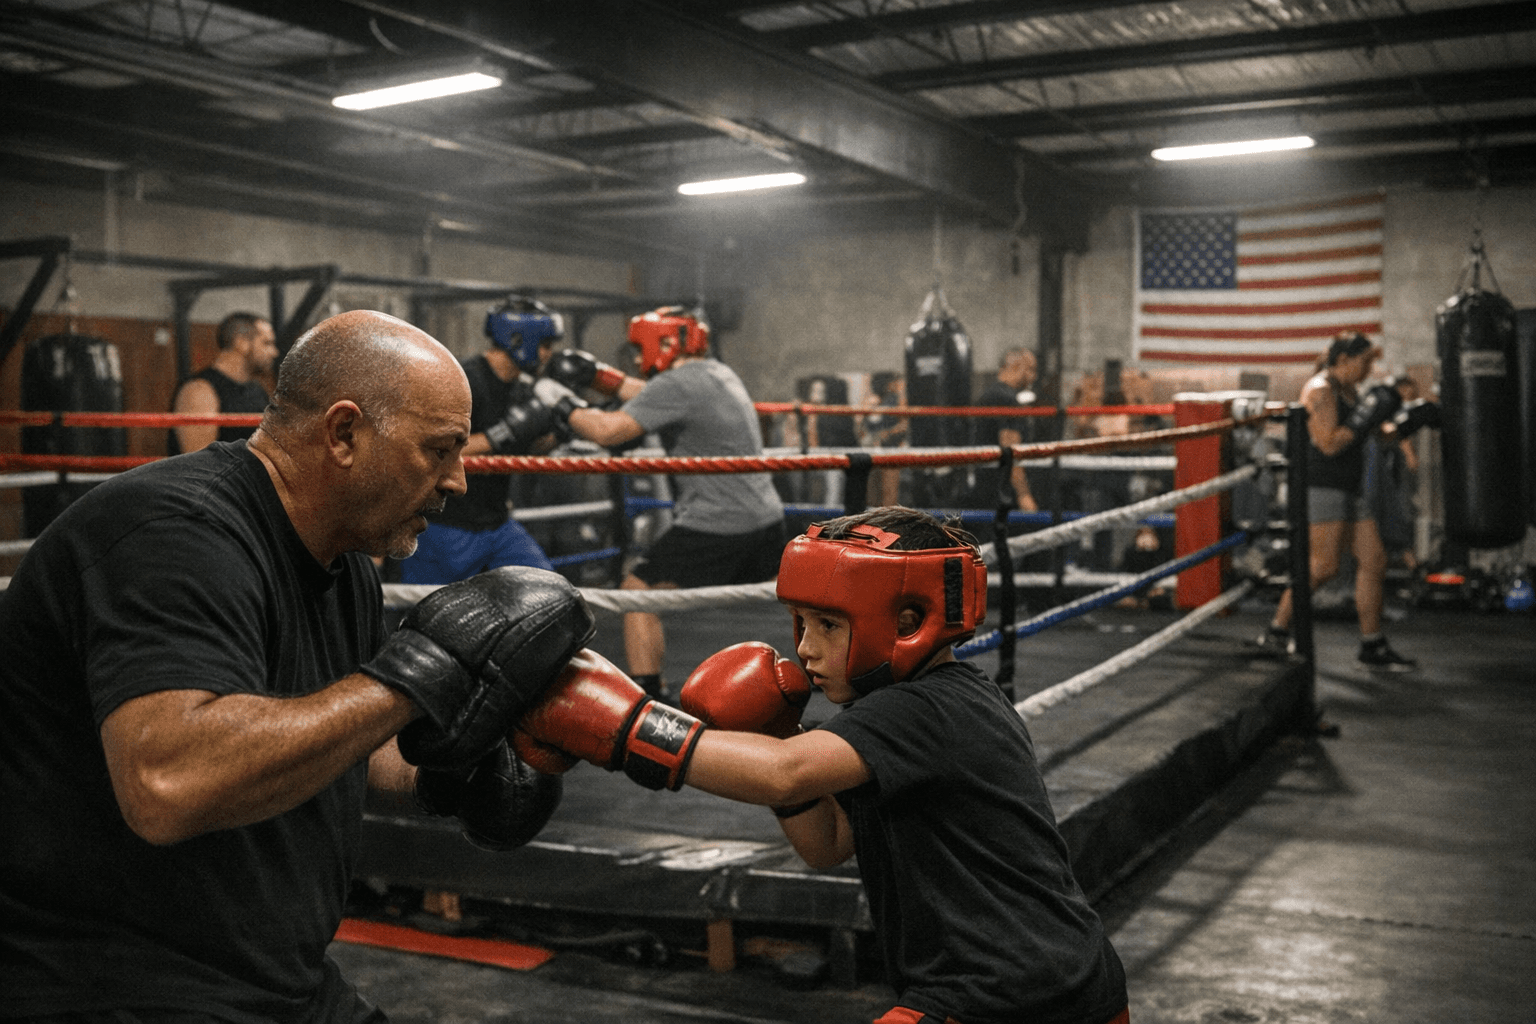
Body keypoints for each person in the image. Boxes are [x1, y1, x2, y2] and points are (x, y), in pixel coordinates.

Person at [0, 309, 594, 1022]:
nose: (458, 481)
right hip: (111, 986)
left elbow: (335, 739)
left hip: (271, 980)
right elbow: (171, 781)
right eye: (438, 450)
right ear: (343, 434)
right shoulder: (173, 537)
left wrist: (455, 777)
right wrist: (419, 671)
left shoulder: (342, 562)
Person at [513, 505, 1130, 1024]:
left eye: (828, 624)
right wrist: (776, 729)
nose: (804, 647)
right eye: (800, 623)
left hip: (1013, 994)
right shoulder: (908, 708)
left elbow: (784, 772)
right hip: (1054, 984)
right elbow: (827, 843)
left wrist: (626, 725)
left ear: (909, 622)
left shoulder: (926, 708)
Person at [539, 305, 786, 701]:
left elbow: (608, 431)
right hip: (766, 515)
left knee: (637, 592)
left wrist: (561, 402)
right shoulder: (716, 372)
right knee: (786, 599)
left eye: (641, 348)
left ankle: (647, 699)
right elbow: (650, 396)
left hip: (720, 522)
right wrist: (600, 378)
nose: (638, 359)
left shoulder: (680, 384)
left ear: (666, 343)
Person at [1256, 331, 1419, 671]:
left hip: (1350, 488)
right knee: (1323, 567)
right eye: (1364, 362)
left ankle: (1372, 645)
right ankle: (1275, 631)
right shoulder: (1320, 390)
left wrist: (1412, 421)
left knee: (1374, 561)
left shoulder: (1350, 390)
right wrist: (1364, 417)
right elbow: (1328, 443)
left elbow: (1375, 434)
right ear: (1343, 360)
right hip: (1322, 487)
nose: (1368, 370)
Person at [398, 297, 565, 584]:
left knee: (548, 593)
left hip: (498, 527)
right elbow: (430, 448)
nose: (549, 354)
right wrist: (504, 431)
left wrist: (559, 431)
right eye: (545, 345)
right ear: (517, 340)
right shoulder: (462, 380)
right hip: (445, 527)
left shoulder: (520, 390)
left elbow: (524, 447)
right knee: (423, 615)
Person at [168, 311, 279, 454]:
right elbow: (199, 462)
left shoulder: (257, 390)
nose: (274, 352)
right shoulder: (200, 390)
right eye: (266, 343)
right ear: (242, 343)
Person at [973, 346, 1040, 513]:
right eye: (1031, 369)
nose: (1034, 376)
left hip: (985, 485)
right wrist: (1024, 495)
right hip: (1003, 491)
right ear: (1017, 366)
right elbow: (1011, 451)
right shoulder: (1007, 399)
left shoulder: (989, 395)